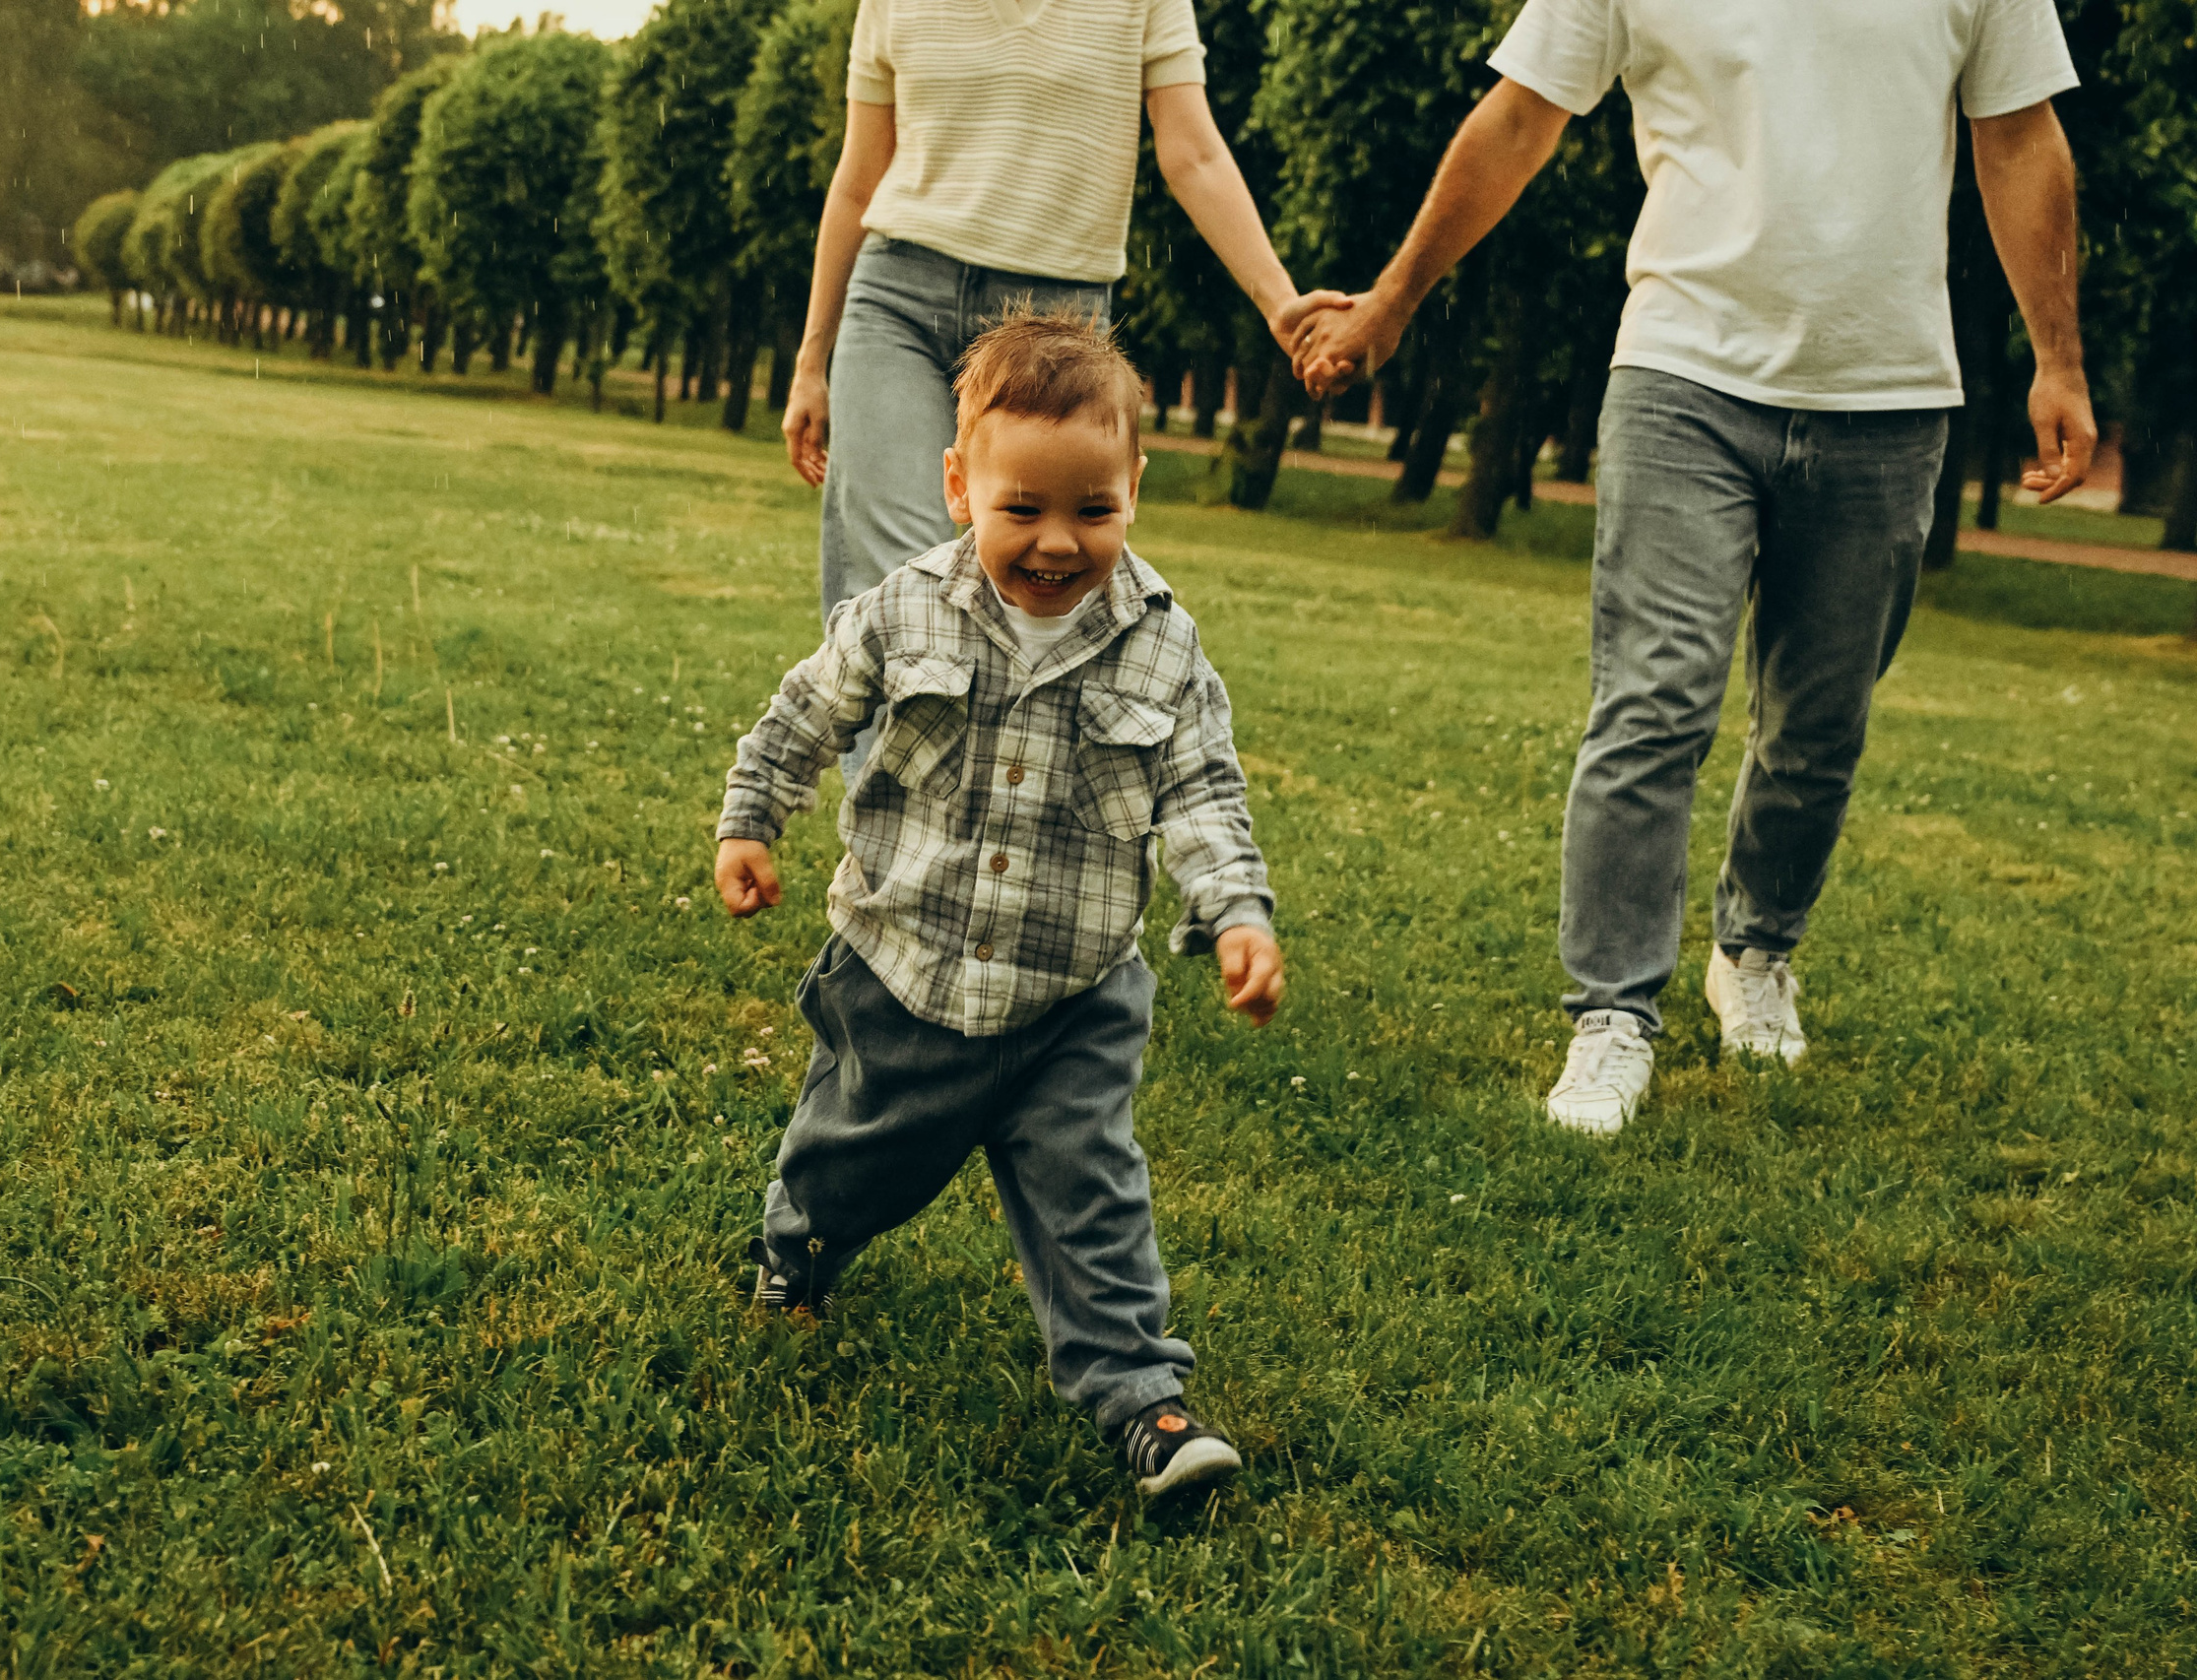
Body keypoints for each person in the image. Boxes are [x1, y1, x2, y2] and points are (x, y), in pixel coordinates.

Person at [1294, 0, 2094, 1135]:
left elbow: (2019, 135)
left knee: (1820, 725)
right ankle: (1611, 1013)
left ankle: (1754, 950)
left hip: (1888, 392)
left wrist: (2056, 358)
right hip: (1682, 374)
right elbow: (1518, 118)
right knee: (1654, 696)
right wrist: (1393, 297)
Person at [716, 313, 1285, 1496]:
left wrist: (1235, 913)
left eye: (1093, 509)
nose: (1056, 542)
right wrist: (749, 818)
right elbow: (804, 713)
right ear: (957, 483)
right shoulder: (901, 609)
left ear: (1136, 487)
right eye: (1021, 508)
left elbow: (1202, 793)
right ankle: (798, 1249)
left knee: (1094, 1195)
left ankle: (1145, 1401)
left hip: (1072, 995)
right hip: (902, 967)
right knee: (848, 1162)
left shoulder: (1165, 648)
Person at [783, 0, 1345, 775]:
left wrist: (1280, 302)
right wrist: (813, 360)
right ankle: (893, 860)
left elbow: (1195, 154)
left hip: (1057, 326)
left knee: (1030, 597)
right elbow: (858, 177)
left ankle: (1002, 839)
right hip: (896, 304)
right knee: (898, 590)